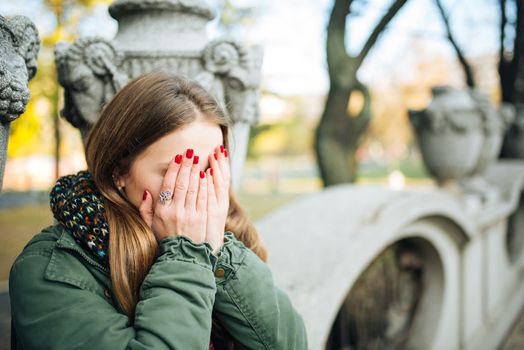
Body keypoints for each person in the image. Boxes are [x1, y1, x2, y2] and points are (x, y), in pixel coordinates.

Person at [9, 72, 308, 349]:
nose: (195, 190)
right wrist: (187, 254)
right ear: (118, 171)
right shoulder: (50, 270)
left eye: (208, 171)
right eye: (175, 172)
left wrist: (216, 251)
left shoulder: (223, 239)